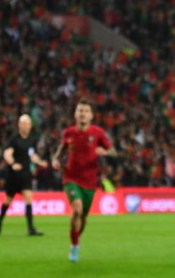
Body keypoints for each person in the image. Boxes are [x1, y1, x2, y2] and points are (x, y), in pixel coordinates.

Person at [52, 99, 116, 262]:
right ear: (75, 114)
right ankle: (74, 246)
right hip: (71, 178)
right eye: (80, 110)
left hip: (90, 181)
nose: (82, 114)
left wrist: (104, 152)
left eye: (86, 111)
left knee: (83, 218)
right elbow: (60, 151)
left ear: (91, 115)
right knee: (77, 209)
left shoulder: (98, 133)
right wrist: (55, 160)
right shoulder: (69, 133)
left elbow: (113, 152)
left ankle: (75, 238)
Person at [0, 114, 48, 236]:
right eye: (23, 124)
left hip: (25, 174)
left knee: (28, 197)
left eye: (27, 124)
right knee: (8, 200)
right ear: (19, 125)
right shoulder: (14, 139)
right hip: (14, 175)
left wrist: (40, 162)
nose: (26, 126)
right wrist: (13, 163)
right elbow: (7, 153)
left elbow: (32, 155)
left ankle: (31, 228)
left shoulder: (32, 139)